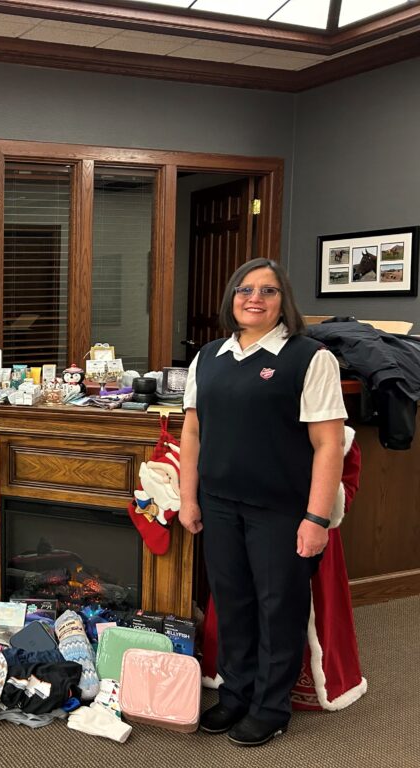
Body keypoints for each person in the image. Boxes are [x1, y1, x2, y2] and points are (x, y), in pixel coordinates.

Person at [178, 258, 346, 747]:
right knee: (231, 603)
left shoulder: (309, 358)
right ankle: (235, 693)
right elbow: (193, 432)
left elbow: (328, 445)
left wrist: (316, 518)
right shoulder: (208, 357)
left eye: (268, 291)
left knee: (278, 609)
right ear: (231, 297)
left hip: (281, 510)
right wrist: (189, 498)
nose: (255, 298)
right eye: (245, 289)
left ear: (282, 302)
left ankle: (270, 707)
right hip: (219, 503)